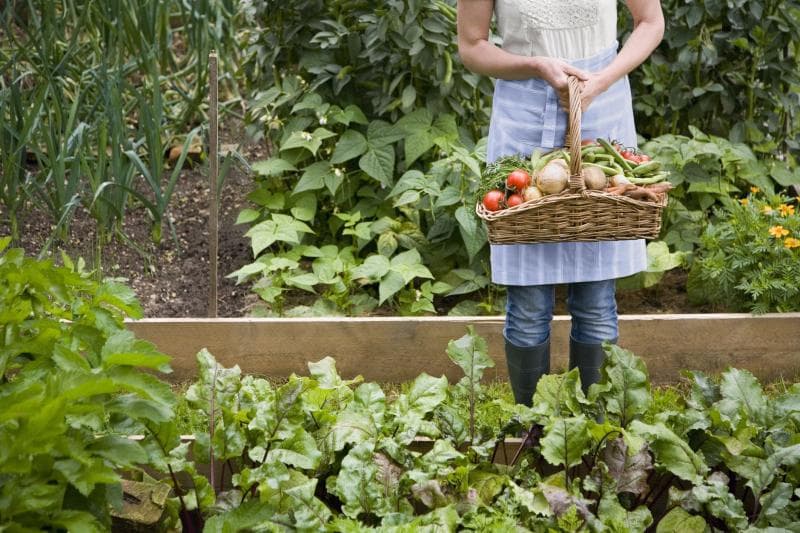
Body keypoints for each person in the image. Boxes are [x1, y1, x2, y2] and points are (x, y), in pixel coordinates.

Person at [456, 0, 664, 406]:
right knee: (529, 304)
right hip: (525, 114)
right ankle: (531, 427)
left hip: (600, 112)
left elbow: (650, 22)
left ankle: (594, 428)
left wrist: (601, 81)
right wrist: (535, 65)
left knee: (596, 297)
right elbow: (472, 45)